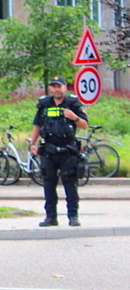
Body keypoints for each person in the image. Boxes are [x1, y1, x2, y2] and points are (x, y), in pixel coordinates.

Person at [29, 76, 89, 227]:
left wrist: (74, 117)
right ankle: (51, 217)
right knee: (48, 185)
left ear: (64, 88)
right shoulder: (44, 105)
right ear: (50, 88)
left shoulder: (72, 104)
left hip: (68, 150)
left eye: (59, 86)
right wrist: (32, 144)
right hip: (49, 151)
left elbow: (84, 125)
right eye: (54, 86)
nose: (56, 89)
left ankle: (73, 216)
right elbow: (37, 126)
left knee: (70, 184)